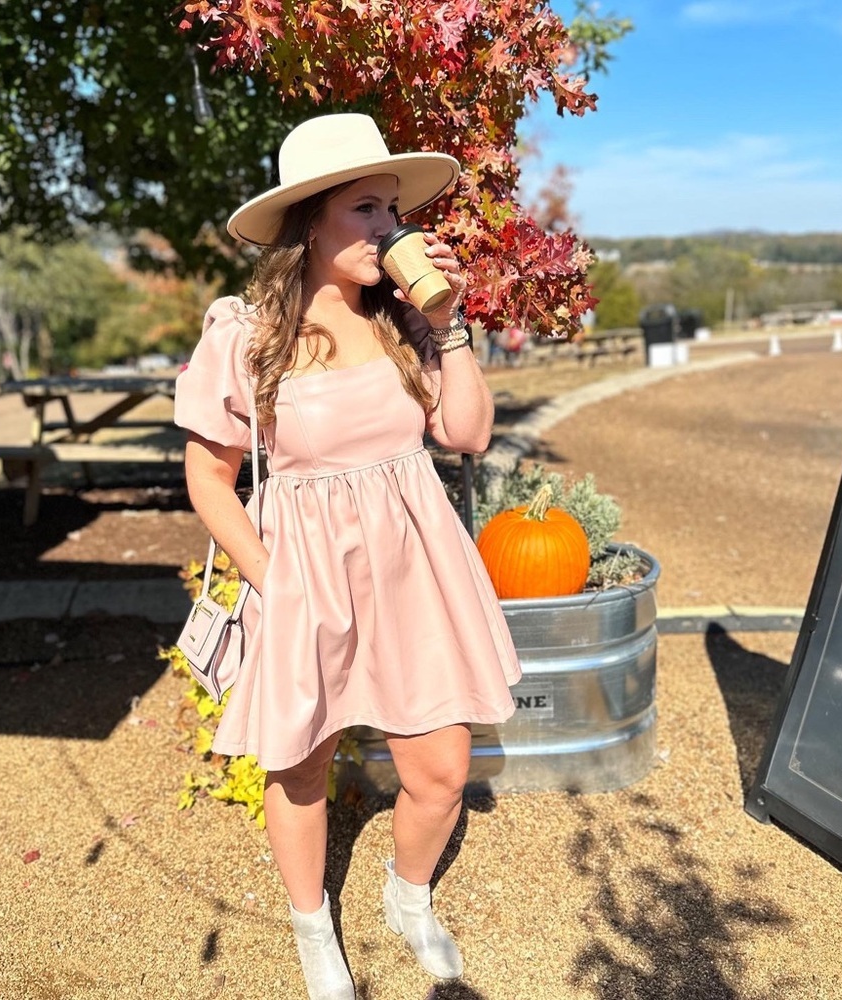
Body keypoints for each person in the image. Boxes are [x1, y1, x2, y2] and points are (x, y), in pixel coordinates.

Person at [174, 113, 522, 1000]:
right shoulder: (244, 336)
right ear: (312, 222)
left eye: (392, 209)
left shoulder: (409, 322)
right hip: (305, 575)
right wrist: (275, 580)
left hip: (416, 569)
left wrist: (447, 325)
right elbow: (211, 481)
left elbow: (468, 433)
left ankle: (409, 900)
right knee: (301, 767)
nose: (389, 228)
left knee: (441, 771)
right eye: (366, 209)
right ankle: (312, 930)